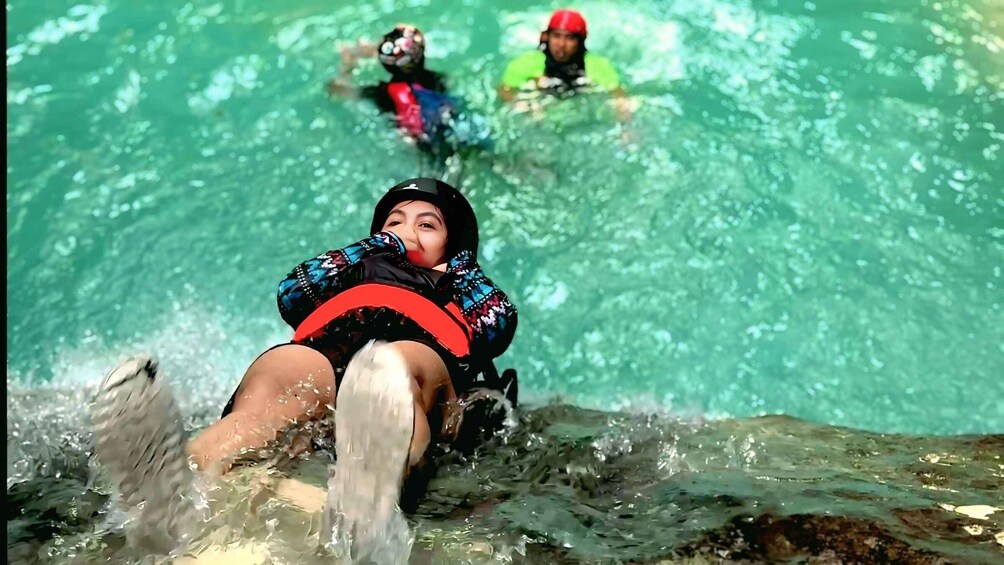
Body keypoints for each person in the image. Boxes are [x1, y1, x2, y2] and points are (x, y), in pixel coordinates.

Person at [91, 178, 518, 559]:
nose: (407, 231)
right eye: (394, 221)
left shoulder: (459, 284)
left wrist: (460, 267)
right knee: (283, 373)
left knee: (397, 369)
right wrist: (375, 246)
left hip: (416, 365)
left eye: (427, 225)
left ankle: (371, 498)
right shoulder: (358, 268)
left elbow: (496, 324)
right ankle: (174, 492)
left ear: (452, 245)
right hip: (330, 356)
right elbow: (293, 293)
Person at [328, 25, 491, 182]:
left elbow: (336, 90)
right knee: (483, 157)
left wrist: (348, 62)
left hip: (424, 143)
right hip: (455, 125)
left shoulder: (381, 94)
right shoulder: (437, 79)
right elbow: (412, 36)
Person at [498, 9, 634, 124]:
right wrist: (522, 104)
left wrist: (624, 121)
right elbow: (505, 90)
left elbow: (619, 95)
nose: (561, 44)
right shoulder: (527, 63)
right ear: (546, 37)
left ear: (581, 41)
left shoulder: (598, 66)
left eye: (570, 38)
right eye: (556, 36)